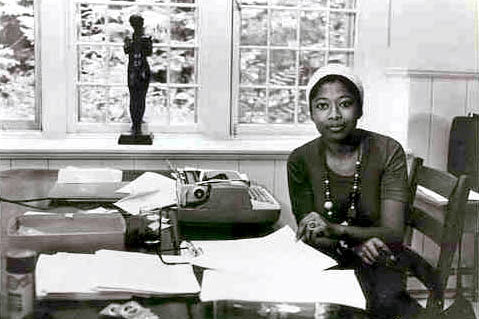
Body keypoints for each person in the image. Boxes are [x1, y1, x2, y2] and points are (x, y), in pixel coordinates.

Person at [287, 64, 423, 319]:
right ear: (311, 113)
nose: (334, 115)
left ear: (360, 108)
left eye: (345, 104)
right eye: (322, 106)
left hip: (381, 256)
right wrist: (354, 246)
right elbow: (310, 230)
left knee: (380, 301)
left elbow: (393, 231)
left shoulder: (387, 151)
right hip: (326, 257)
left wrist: (337, 230)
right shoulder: (300, 159)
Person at [124, 14, 152, 136]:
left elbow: (149, 52)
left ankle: (138, 124)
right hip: (132, 71)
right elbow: (126, 50)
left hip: (143, 70)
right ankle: (135, 125)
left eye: (139, 23)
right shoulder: (129, 38)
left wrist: (143, 42)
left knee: (141, 98)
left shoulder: (146, 38)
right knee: (133, 98)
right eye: (135, 23)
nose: (137, 26)